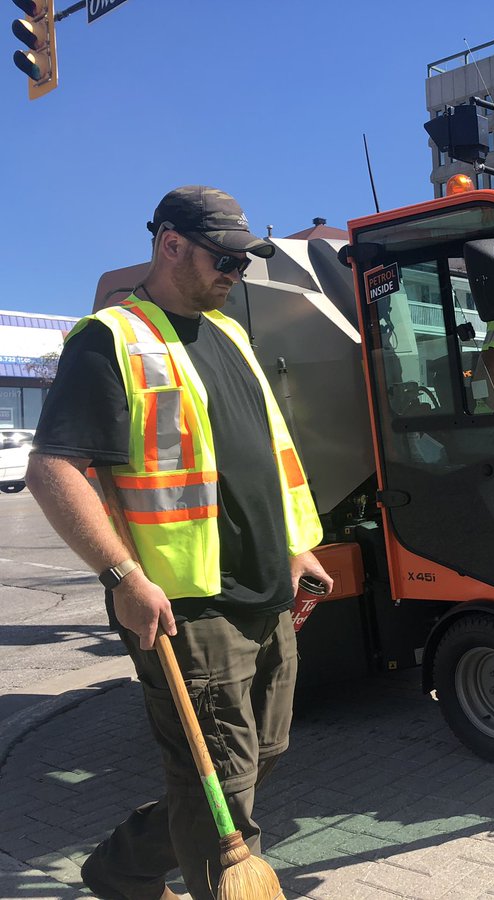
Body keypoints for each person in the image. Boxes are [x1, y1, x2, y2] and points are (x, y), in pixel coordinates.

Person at [27, 185, 331, 900]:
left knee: (260, 755)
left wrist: (296, 546)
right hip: (186, 608)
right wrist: (122, 577)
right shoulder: (110, 338)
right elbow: (53, 469)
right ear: (169, 245)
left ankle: (121, 870)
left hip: (266, 591)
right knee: (218, 787)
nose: (236, 273)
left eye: (243, 262)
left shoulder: (229, 335)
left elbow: (266, 453)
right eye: (224, 259)